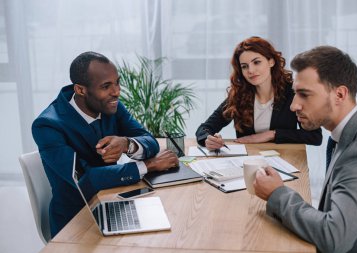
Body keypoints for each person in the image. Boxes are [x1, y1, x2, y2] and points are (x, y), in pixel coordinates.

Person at [32, 51, 179, 237]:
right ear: (81, 90)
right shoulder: (48, 125)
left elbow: (149, 140)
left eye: (117, 82)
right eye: (106, 86)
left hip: (115, 202)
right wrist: (147, 166)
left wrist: (127, 144)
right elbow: (85, 180)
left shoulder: (111, 105)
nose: (116, 91)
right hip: (76, 222)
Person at [254, 46, 357, 252]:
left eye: (304, 94)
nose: (294, 105)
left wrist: (277, 193)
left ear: (339, 94)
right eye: (295, 93)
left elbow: (334, 238)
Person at [195, 36, 322, 150]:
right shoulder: (239, 95)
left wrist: (271, 134)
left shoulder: (292, 92)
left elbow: (315, 137)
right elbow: (204, 129)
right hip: (249, 163)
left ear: (271, 61)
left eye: (256, 62)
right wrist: (208, 139)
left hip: (285, 160)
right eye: (244, 66)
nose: (250, 70)